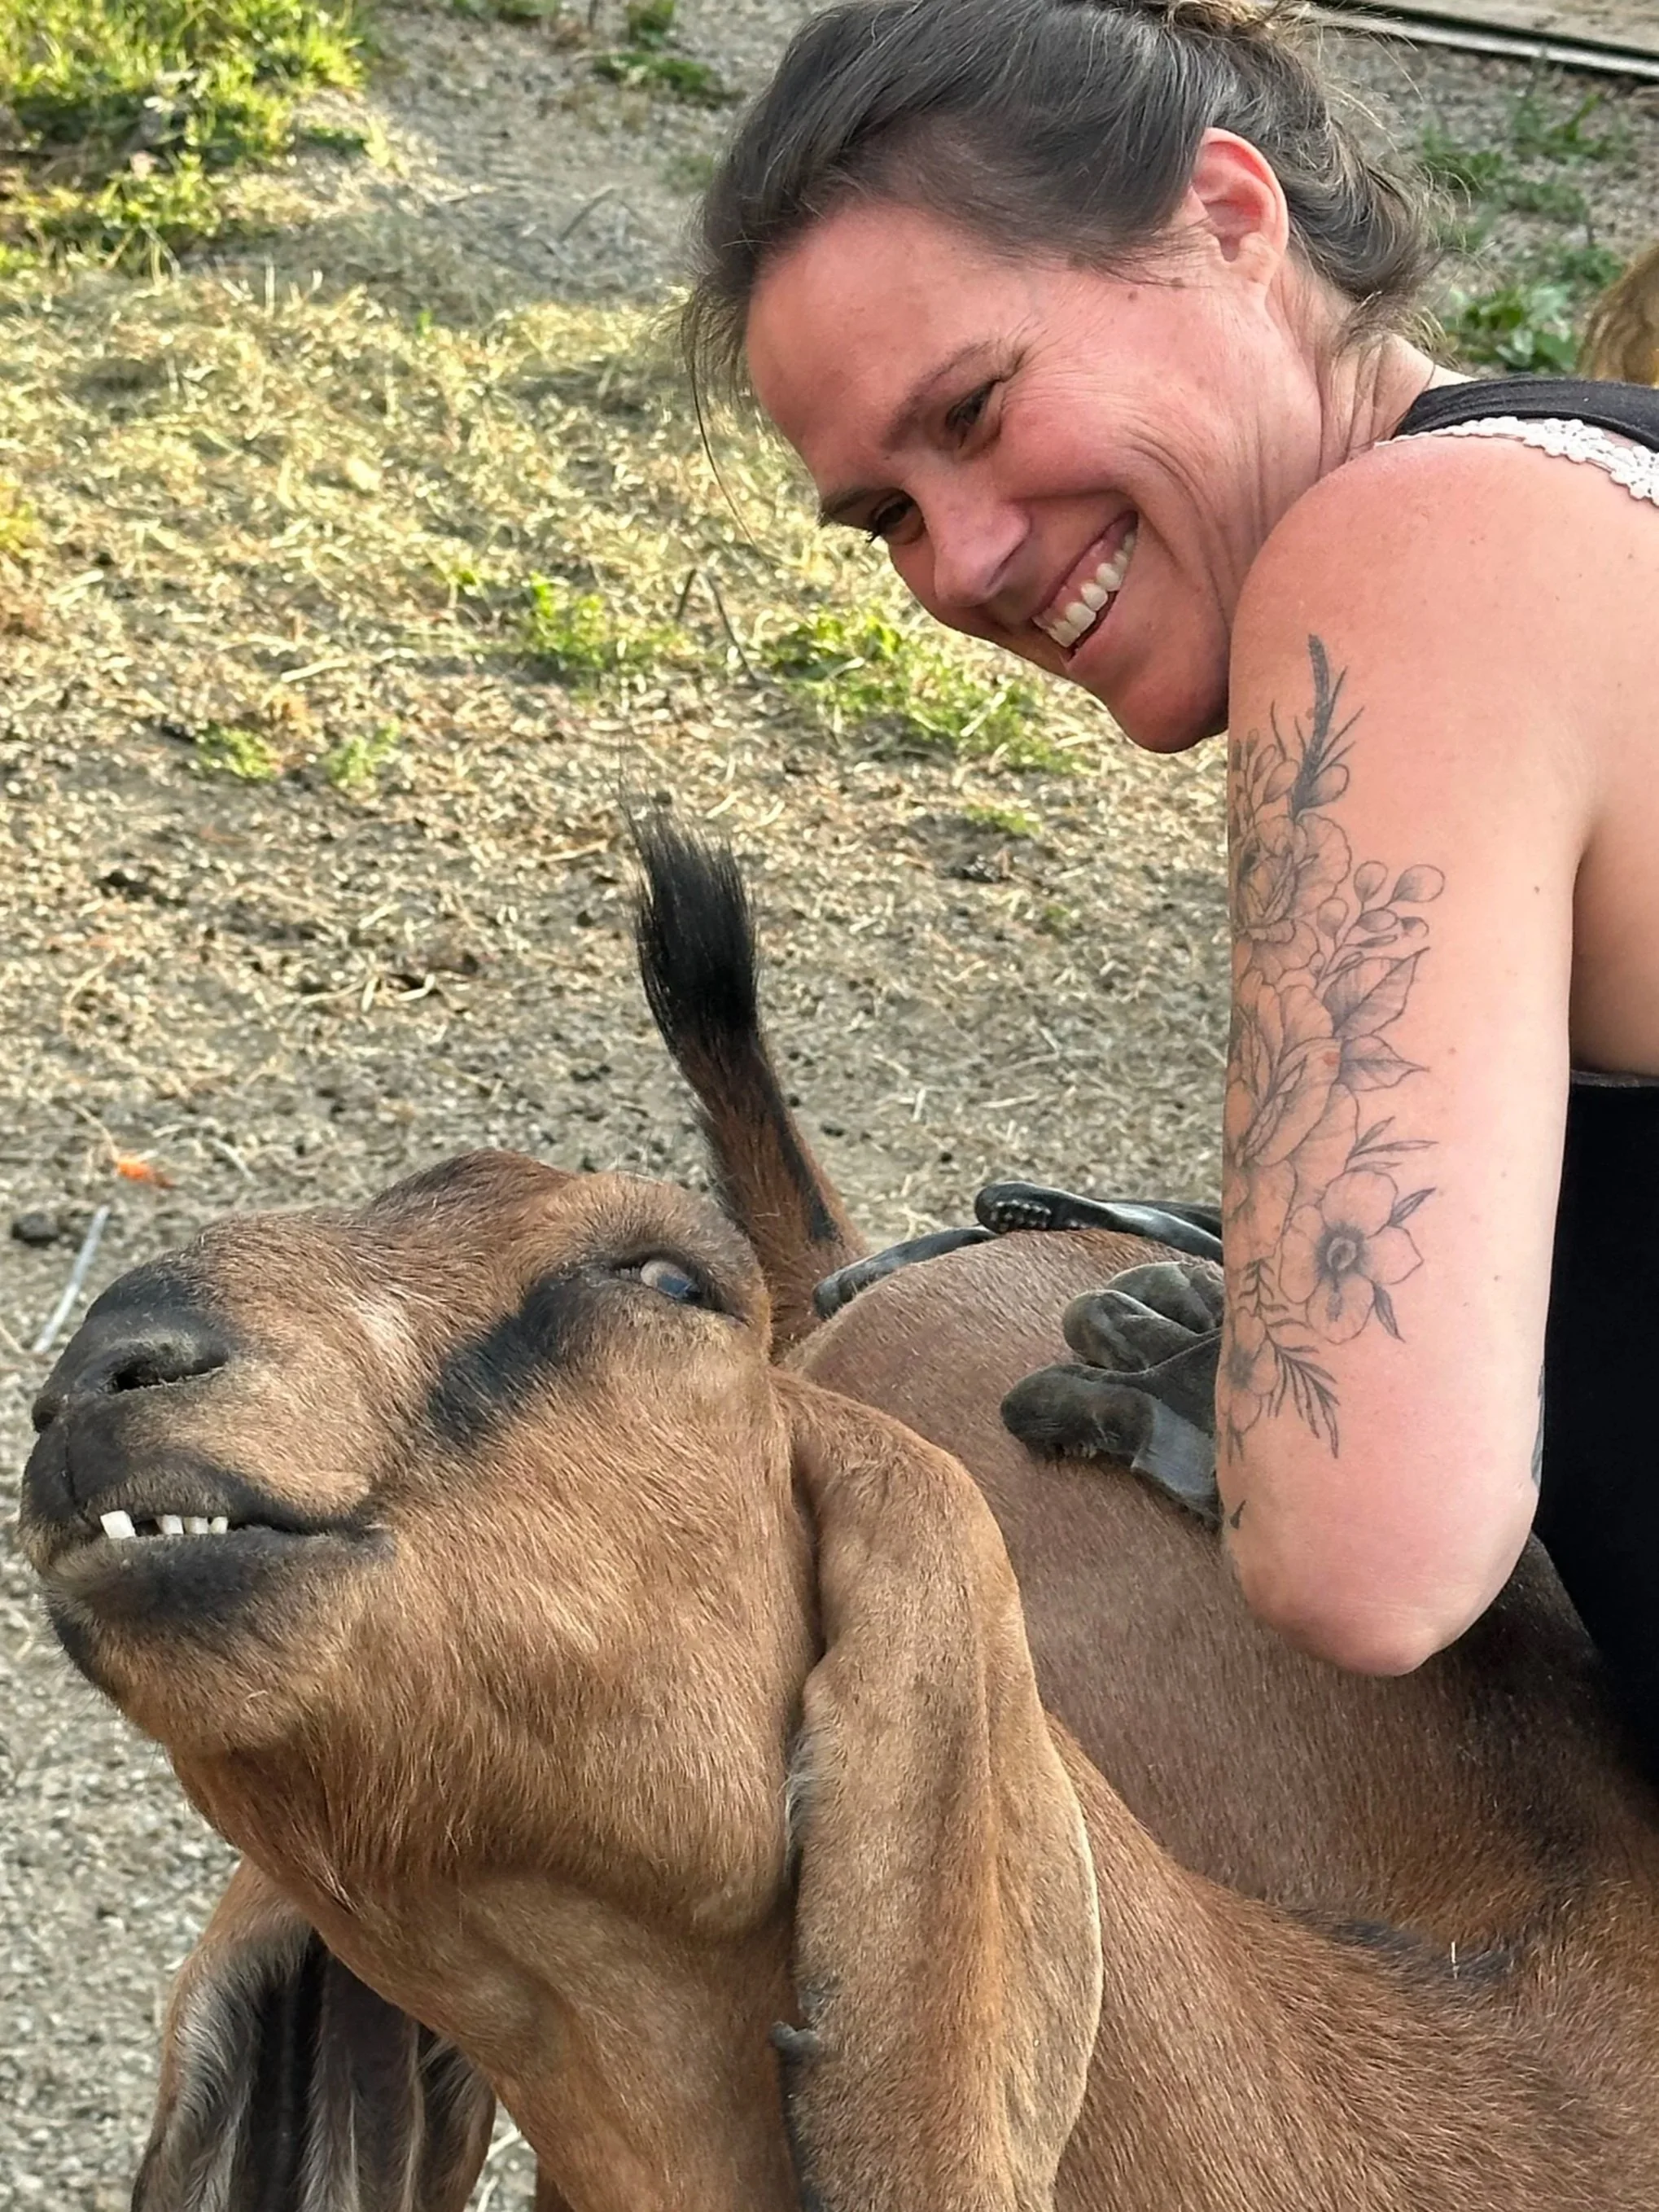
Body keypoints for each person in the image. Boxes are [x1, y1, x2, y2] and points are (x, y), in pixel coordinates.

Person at [680, 0, 1659, 1762]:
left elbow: (1368, 1556)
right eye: (883, 515)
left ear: (1228, 219)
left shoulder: (1412, 556)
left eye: (973, 409)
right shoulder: (1594, 488)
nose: (960, 559)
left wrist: (1285, 1405)